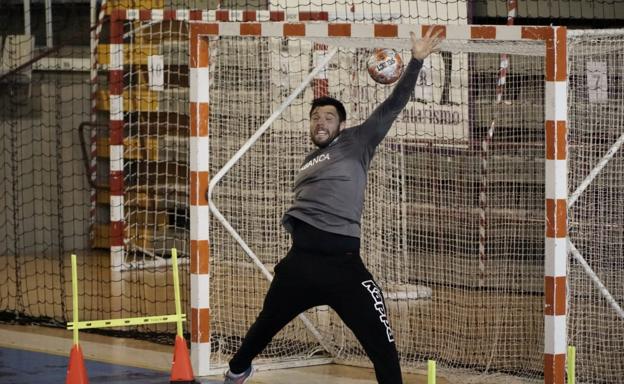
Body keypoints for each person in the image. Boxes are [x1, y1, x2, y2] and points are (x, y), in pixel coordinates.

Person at [224, 28, 443, 384]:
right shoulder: (309, 160)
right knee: (263, 328)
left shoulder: (357, 142)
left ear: (341, 125)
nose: (320, 121)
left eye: (328, 117)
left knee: (382, 345)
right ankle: (235, 372)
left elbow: (393, 105)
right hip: (300, 265)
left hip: (345, 268)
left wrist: (415, 61)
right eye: (315, 118)